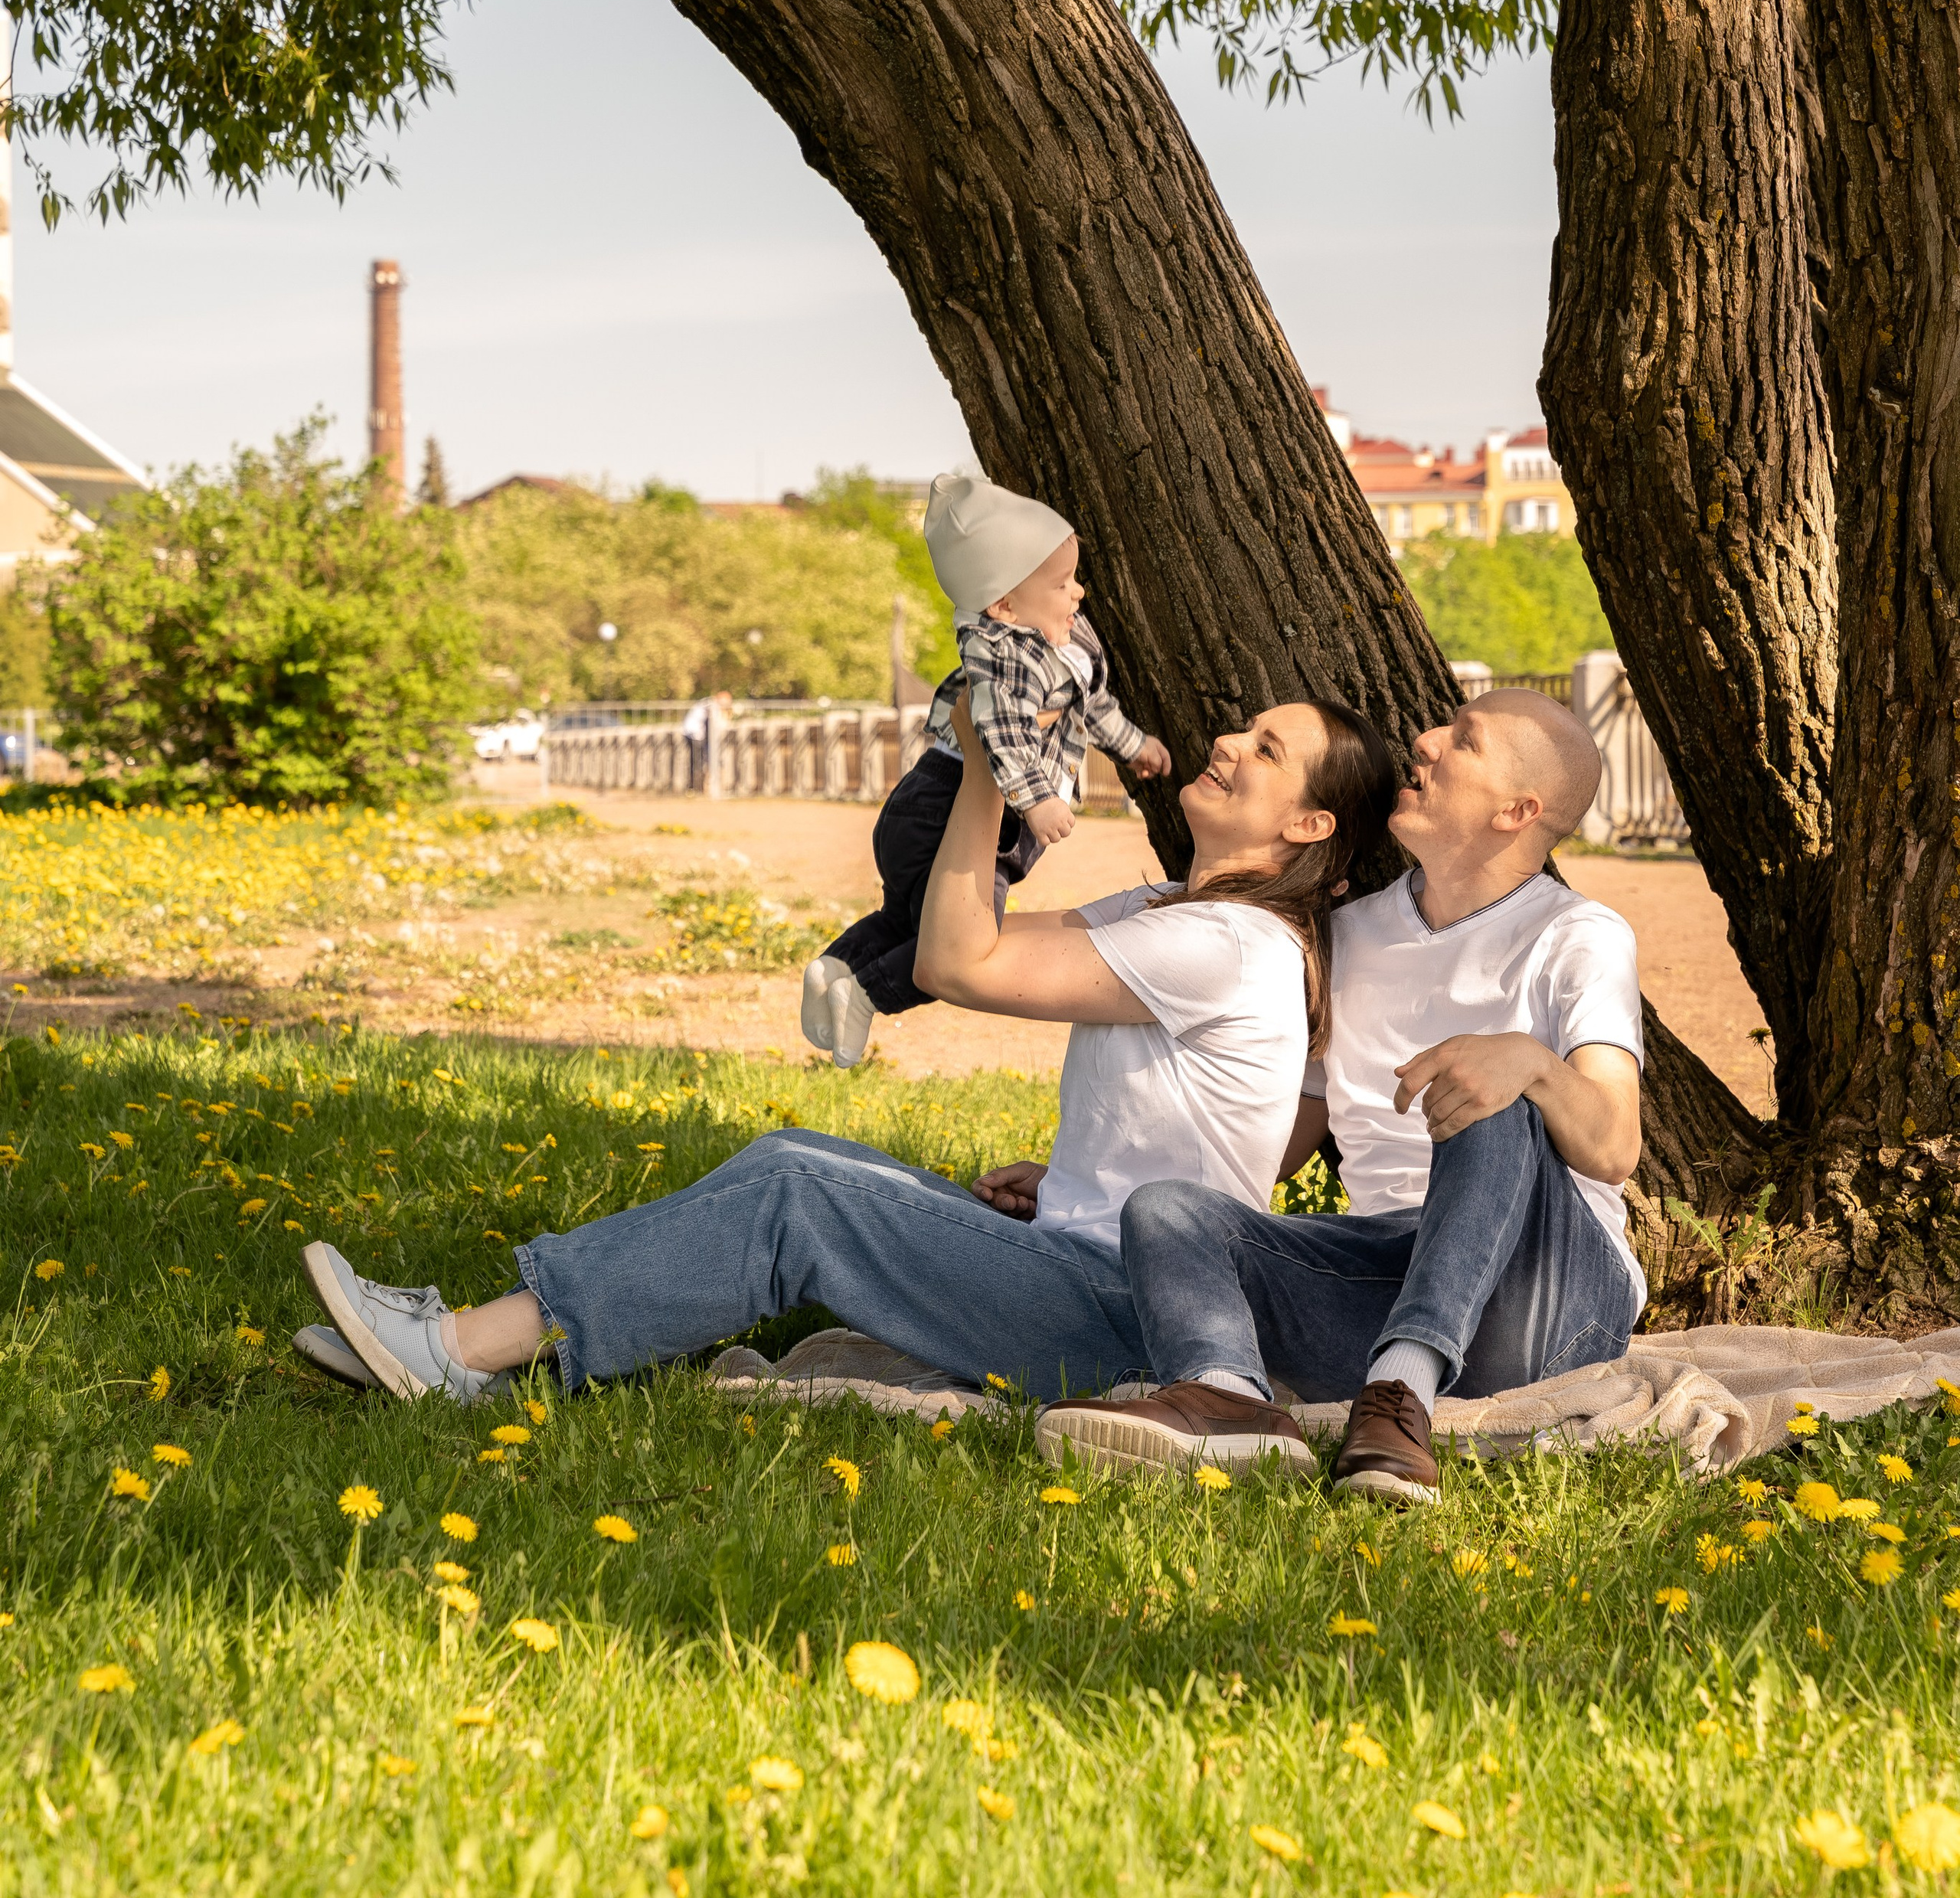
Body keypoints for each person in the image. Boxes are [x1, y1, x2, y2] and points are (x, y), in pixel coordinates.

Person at [294, 691, 1396, 1410]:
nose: (1225, 744)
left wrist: (986, 770)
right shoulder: (1183, 913)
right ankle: (493, 1343)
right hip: (1090, 1262)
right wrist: (1074, 1180)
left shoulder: (1229, 944)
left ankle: (460, 1355)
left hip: (1120, 1313)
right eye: (1242, 728)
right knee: (799, 1153)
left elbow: (964, 966)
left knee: (797, 1196)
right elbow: (952, 940)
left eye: (1266, 749)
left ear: (1308, 827)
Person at [1038, 691, 1643, 1502]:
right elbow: (1280, 1137)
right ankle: (1229, 1400)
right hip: (1380, 1276)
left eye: (1461, 742)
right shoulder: (1350, 935)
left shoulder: (1579, 936)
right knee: (1168, 1210)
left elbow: (1611, 1148)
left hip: (1549, 1295)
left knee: (1488, 1088)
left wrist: (1529, 1063)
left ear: (1517, 809)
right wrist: (1080, 1166)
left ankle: (1400, 1392)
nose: (1423, 742)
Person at [801, 466, 1171, 1066]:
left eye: (1074, 579)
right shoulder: (1000, 658)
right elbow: (998, 734)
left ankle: (836, 966)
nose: (1078, 594)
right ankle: (869, 994)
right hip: (951, 806)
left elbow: (1093, 703)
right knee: (966, 940)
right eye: (1061, 585)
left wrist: (1132, 745)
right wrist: (1037, 800)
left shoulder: (1066, 636)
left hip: (926, 801)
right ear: (1003, 604)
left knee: (908, 916)